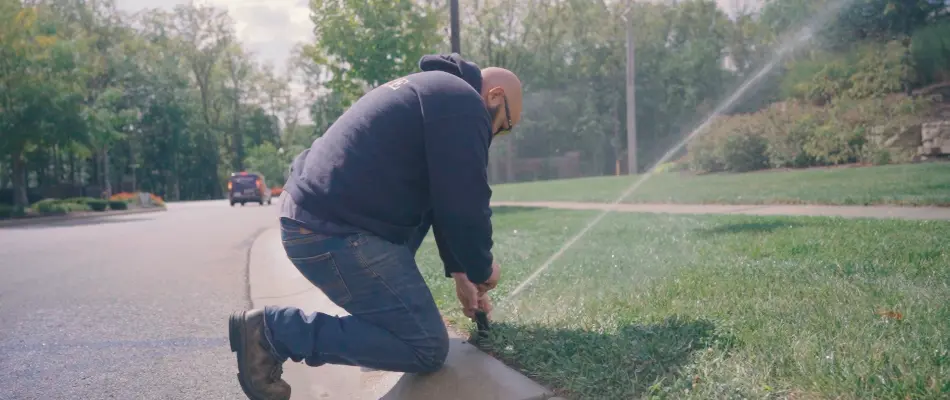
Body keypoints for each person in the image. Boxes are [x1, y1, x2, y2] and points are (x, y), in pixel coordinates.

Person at [227, 53, 523, 400]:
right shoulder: (464, 103)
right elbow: (466, 202)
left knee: (409, 321)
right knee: (426, 345)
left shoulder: (433, 92)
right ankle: (274, 333)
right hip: (332, 231)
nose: (492, 137)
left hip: (316, 218)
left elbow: (442, 197)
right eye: (502, 126)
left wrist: (461, 273)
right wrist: (482, 267)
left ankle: (374, 330)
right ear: (495, 96)